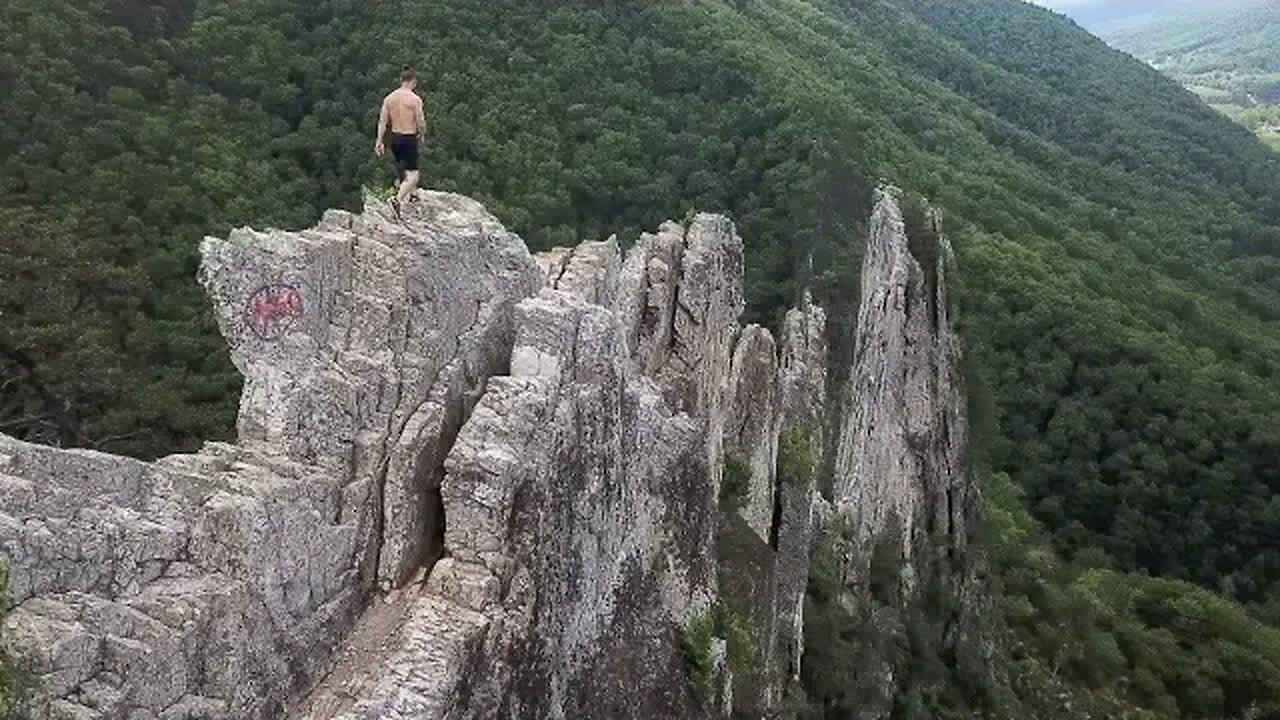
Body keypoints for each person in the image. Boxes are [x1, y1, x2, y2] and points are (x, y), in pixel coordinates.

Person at [375, 66, 427, 218]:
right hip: (408, 137)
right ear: (413, 82)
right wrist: (422, 133)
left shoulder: (389, 98)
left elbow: (382, 121)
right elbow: (420, 121)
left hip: (394, 138)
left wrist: (379, 141)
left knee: (404, 170)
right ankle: (396, 200)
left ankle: (413, 194)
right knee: (413, 175)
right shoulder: (414, 99)